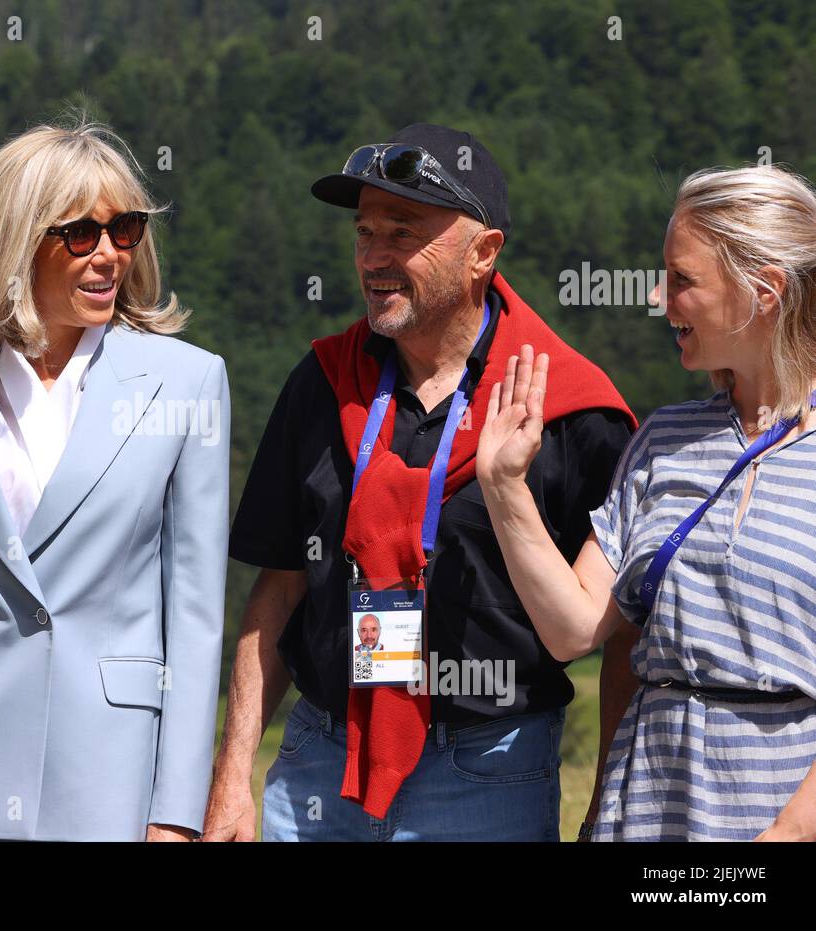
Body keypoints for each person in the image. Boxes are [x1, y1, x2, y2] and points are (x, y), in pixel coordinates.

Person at [205, 123, 638, 842]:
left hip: (487, 773)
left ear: (483, 253)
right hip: (319, 760)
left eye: (401, 233)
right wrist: (231, 777)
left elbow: (624, 634)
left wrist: (605, 810)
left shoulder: (573, 411)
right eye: (364, 233)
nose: (373, 257)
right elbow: (278, 588)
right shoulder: (323, 382)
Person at [0, 117, 230, 842]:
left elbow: (194, 611)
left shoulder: (190, 381)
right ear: (14, 238)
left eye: (126, 229)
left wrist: (177, 812)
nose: (110, 255)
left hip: (107, 773)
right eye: (80, 234)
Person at [477, 165, 816, 841]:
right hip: (649, 810)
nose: (661, 298)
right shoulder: (663, 438)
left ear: (765, 289)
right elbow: (574, 627)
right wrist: (503, 486)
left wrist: (785, 834)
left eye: (683, 279)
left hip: (776, 813)